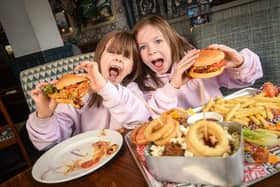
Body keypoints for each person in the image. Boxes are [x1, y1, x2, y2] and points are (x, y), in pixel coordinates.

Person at [26, 31, 150, 150]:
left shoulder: (132, 91)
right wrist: (45, 115)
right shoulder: (78, 92)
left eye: (127, 56)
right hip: (86, 157)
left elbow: (140, 121)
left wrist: (105, 88)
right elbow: (48, 144)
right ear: (99, 57)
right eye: (112, 52)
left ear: (132, 68)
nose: (118, 59)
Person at [133, 15, 263, 117]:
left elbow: (247, 78)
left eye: (158, 41)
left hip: (220, 120)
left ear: (171, 42)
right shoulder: (145, 86)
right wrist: (172, 86)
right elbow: (154, 118)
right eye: (143, 47)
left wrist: (239, 63)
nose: (151, 51)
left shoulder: (199, 64)